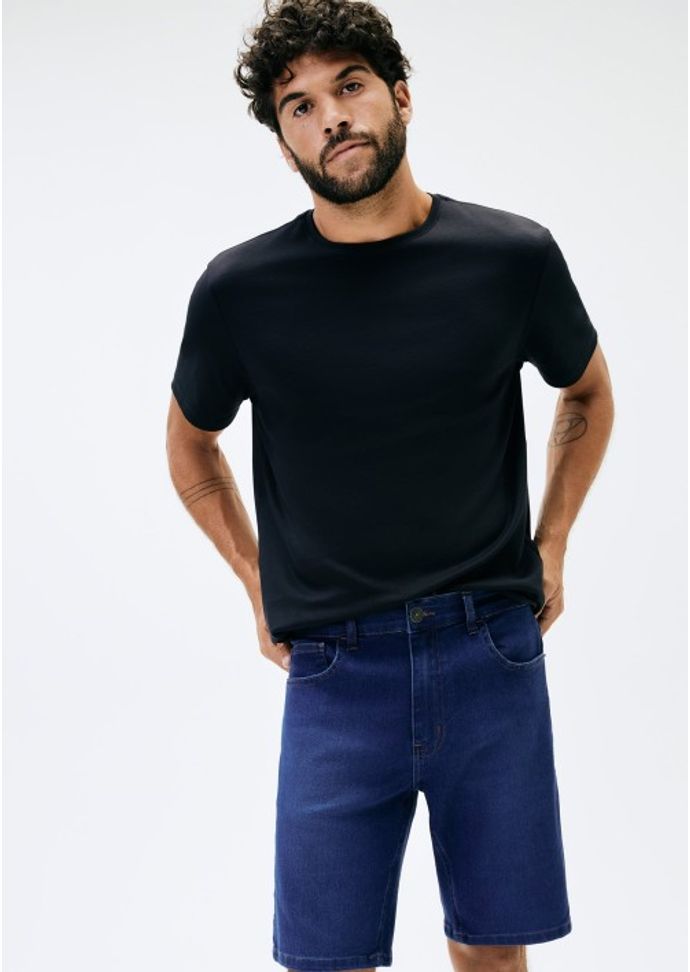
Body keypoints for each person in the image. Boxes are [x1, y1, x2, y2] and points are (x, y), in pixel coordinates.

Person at [166, 1, 615, 970]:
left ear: (400, 96)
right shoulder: (241, 290)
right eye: (299, 105)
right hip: (335, 672)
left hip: (489, 652)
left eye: (350, 85)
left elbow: (586, 390)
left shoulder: (512, 258)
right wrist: (255, 579)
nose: (330, 115)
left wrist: (553, 542)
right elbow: (192, 445)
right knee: (325, 959)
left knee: (491, 951)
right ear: (284, 142)